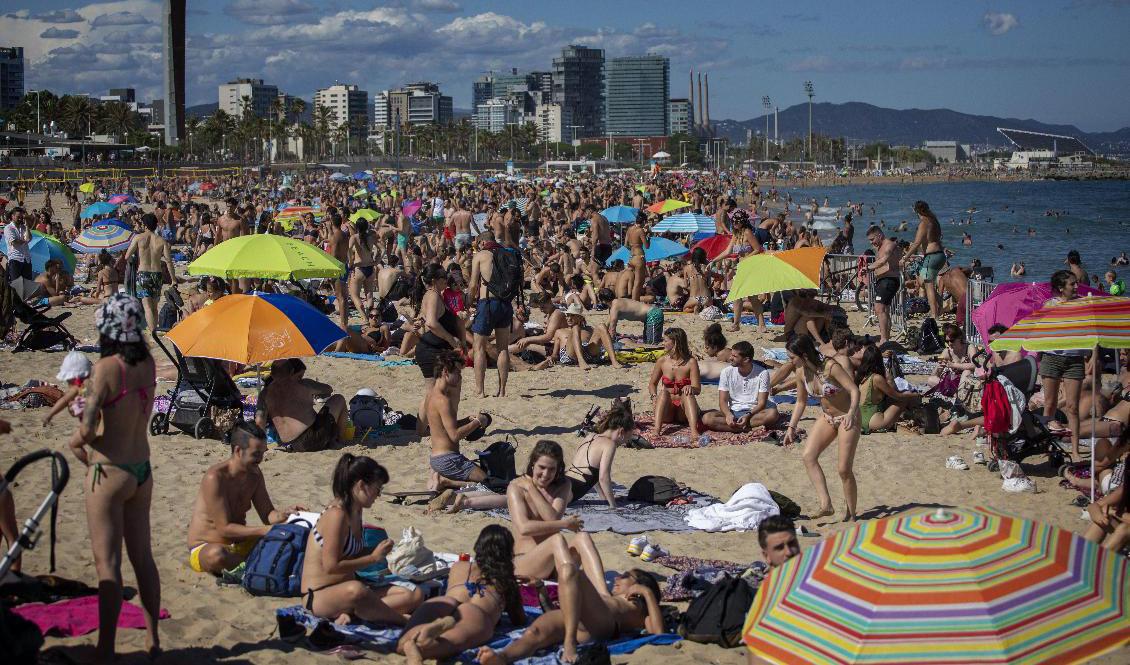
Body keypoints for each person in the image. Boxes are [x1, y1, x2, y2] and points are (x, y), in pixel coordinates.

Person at [67, 294, 162, 663]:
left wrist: (75, 437)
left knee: (108, 564)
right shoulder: (149, 364)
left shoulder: (107, 367)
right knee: (144, 559)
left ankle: (105, 648)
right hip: (142, 469)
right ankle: (153, 641)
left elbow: (90, 429)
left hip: (109, 470)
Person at [300, 454, 424, 624]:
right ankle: (401, 620)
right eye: (377, 489)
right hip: (320, 594)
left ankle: (356, 614)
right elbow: (331, 566)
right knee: (357, 591)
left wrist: (383, 551)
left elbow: (351, 553)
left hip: (348, 588)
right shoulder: (336, 515)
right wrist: (373, 557)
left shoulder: (356, 511)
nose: (378, 495)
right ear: (361, 486)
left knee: (414, 594)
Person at [477, 567, 663, 665]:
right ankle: (502, 658)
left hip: (600, 623)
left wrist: (646, 593)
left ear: (639, 584)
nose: (616, 578)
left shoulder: (636, 605)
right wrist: (541, 589)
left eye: (624, 575)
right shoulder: (605, 598)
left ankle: (569, 642)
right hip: (577, 624)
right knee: (533, 634)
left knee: (570, 570)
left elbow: (658, 633)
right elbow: (562, 612)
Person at [396, 525, 526, 665]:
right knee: (448, 644)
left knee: (401, 644)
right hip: (475, 612)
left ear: (479, 546)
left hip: (445, 601)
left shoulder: (459, 566)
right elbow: (519, 620)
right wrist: (538, 587)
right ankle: (422, 644)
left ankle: (414, 640)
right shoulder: (506, 580)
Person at [186, 421, 303, 575]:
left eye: (263, 453)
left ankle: (250, 565)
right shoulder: (215, 477)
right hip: (207, 545)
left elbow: (268, 514)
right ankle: (256, 566)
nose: (261, 459)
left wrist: (284, 515)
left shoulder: (254, 474)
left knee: (289, 538)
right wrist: (266, 531)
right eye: (256, 454)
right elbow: (224, 529)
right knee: (216, 555)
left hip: (240, 544)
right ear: (238, 451)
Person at [783, 334, 861, 521]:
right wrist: (791, 427)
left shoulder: (831, 367)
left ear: (803, 354)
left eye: (792, 357)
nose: (790, 361)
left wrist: (851, 412)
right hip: (827, 417)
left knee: (843, 469)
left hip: (847, 416)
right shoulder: (801, 372)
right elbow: (801, 401)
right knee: (808, 456)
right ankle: (826, 504)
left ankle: (851, 513)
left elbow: (854, 390)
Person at [426, 350, 491, 491]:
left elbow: (441, 427)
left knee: (484, 478)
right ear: (445, 371)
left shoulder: (431, 395)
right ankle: (446, 482)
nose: (460, 377)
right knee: (489, 483)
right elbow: (454, 436)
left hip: (436, 459)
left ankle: (443, 479)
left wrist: (466, 420)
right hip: (449, 460)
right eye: (457, 373)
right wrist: (477, 422)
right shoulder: (444, 400)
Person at [1041, 270, 1087, 463]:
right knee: (1050, 404)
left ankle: (1075, 451)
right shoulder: (1049, 305)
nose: (1076, 287)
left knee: (1072, 407)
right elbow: (1041, 330)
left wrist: (1092, 355)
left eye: (1076, 283)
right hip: (1052, 357)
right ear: (1061, 288)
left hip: (1075, 359)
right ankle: (1048, 446)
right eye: (1072, 284)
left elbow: (1089, 330)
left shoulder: (1083, 304)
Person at [414, 263, 466, 434]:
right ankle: (442, 428)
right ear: (435, 280)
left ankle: (421, 431)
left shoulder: (432, 295)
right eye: (444, 277)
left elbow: (426, 320)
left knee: (432, 391)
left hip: (429, 348)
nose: (447, 280)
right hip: (432, 350)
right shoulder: (433, 296)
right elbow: (431, 323)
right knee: (446, 389)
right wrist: (452, 340)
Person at [255, 358, 348, 453]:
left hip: (289, 445)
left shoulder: (264, 394)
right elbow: (328, 389)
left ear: (272, 373)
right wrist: (312, 387)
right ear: (292, 371)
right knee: (338, 399)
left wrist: (263, 446)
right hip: (312, 438)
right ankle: (340, 439)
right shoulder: (303, 384)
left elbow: (259, 421)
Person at [470, 230, 519, 397]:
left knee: (478, 348)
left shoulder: (481, 255)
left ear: (483, 242)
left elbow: (472, 286)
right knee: (503, 348)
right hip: (505, 304)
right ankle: (502, 390)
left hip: (487, 303)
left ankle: (480, 390)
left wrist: (468, 302)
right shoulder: (507, 254)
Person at [565, 398, 634, 508]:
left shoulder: (590, 436)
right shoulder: (609, 444)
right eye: (626, 439)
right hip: (568, 491)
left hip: (563, 480)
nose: (624, 443)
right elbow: (603, 478)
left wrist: (604, 499)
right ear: (621, 432)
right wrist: (613, 506)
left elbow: (593, 475)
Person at [702, 341, 780, 433]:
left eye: (734, 356)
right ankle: (747, 428)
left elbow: (761, 403)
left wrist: (748, 415)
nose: (730, 358)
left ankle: (738, 427)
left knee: (773, 414)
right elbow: (723, 400)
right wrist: (728, 415)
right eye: (731, 355)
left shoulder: (762, 373)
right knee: (707, 418)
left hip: (754, 413)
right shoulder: (726, 372)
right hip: (734, 411)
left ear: (746, 359)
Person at [648, 327, 703, 440]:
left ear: (675, 343)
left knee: (687, 394)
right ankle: (657, 430)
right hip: (667, 409)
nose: (663, 343)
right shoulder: (662, 361)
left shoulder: (691, 362)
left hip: (683, 410)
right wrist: (653, 397)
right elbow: (652, 384)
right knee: (663, 393)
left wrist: (691, 387)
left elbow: (697, 389)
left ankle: (694, 432)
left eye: (666, 340)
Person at [123, 213, 173, 332]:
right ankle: (154, 329)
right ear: (156, 226)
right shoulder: (161, 241)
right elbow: (169, 261)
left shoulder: (138, 238)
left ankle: (152, 331)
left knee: (147, 307)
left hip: (143, 274)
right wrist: (173, 278)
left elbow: (127, 256)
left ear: (145, 225)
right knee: (154, 306)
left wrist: (133, 262)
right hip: (157, 274)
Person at [855, 347, 921, 434]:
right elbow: (897, 395)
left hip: (859, 419)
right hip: (873, 421)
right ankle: (917, 417)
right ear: (879, 360)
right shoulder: (877, 378)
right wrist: (914, 395)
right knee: (904, 400)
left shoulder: (860, 376)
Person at [901, 200, 944, 320]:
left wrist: (905, 258)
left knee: (928, 284)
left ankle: (934, 315)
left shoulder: (924, 222)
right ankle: (940, 305)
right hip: (939, 255)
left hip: (932, 256)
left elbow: (916, 243)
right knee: (922, 282)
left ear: (916, 211)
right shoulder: (934, 220)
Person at [865, 224, 902, 345]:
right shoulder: (880, 246)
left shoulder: (889, 245)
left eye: (872, 239)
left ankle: (884, 339)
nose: (872, 243)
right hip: (883, 281)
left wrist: (869, 267)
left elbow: (884, 260)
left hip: (889, 281)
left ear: (879, 235)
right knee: (884, 310)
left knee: (879, 308)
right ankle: (886, 338)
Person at [3, 207, 33, 281]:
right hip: (15, 259)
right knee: (16, 286)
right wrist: (24, 241)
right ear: (12, 216)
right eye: (18, 217)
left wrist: (27, 226)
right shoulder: (8, 228)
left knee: (27, 284)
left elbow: (29, 238)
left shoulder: (23, 227)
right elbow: (14, 242)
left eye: (21, 217)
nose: (20, 219)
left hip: (26, 258)